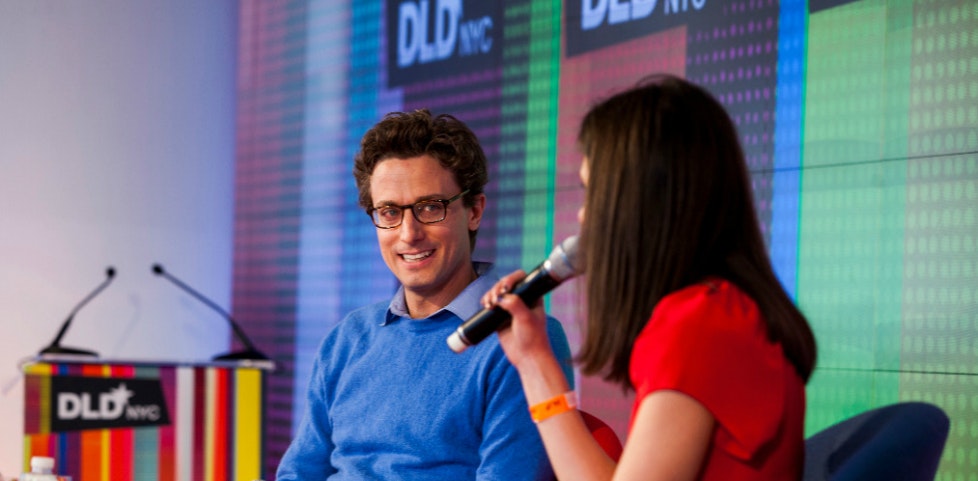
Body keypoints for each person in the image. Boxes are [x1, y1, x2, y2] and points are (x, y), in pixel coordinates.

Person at [482, 74, 818, 480]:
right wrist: (533, 359)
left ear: (639, 201)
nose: (583, 215)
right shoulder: (725, 310)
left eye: (593, 193)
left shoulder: (699, 325)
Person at [277, 109, 574, 480]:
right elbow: (299, 473)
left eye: (430, 207)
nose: (408, 233)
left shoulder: (521, 337)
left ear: (474, 211)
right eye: (388, 212)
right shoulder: (347, 339)